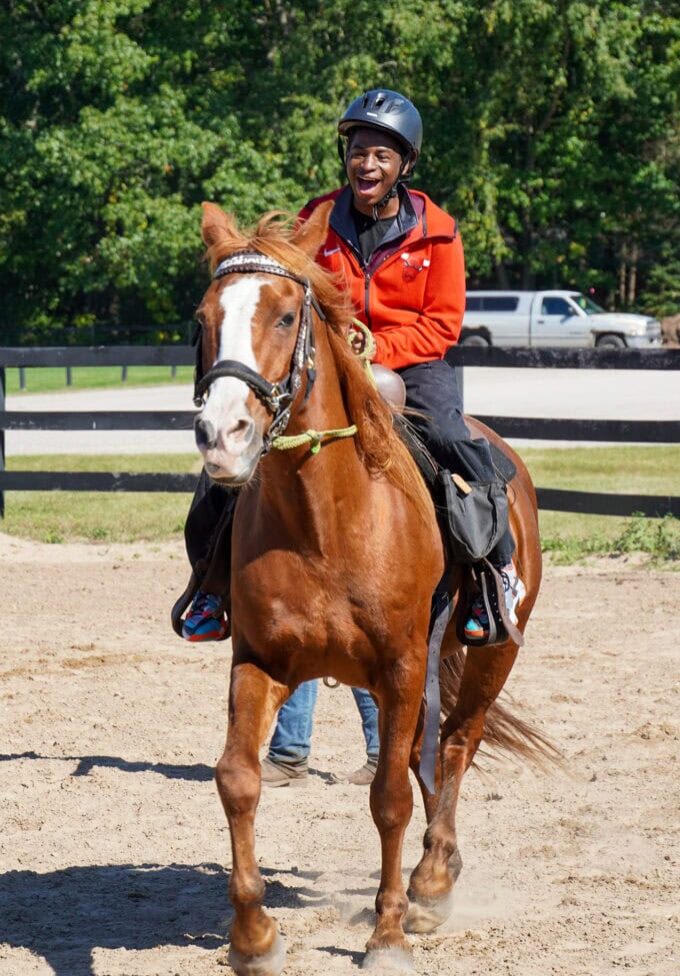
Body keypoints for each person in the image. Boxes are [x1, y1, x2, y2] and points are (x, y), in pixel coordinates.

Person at [178, 88, 525, 786]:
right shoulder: (315, 221)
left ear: (402, 163)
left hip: (412, 369)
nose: (365, 163)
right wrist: (341, 351)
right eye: (357, 151)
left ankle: (491, 584)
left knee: (465, 452)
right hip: (329, 370)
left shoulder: (439, 231)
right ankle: (212, 586)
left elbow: (442, 323)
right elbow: (292, 300)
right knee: (230, 477)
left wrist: (380, 350)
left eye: (380, 152)